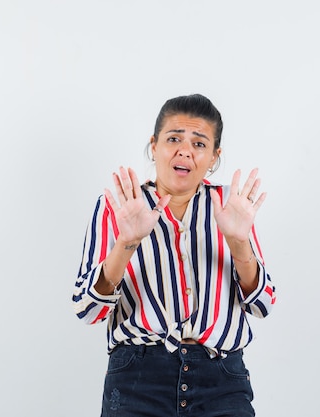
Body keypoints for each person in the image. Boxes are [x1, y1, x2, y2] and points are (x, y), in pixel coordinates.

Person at [73, 94, 276, 417]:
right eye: (173, 139)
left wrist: (239, 243)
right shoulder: (119, 206)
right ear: (154, 146)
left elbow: (262, 304)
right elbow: (88, 310)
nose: (185, 150)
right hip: (137, 378)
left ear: (213, 157)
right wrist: (127, 243)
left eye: (199, 143)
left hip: (221, 380)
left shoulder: (232, 206)